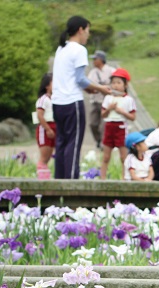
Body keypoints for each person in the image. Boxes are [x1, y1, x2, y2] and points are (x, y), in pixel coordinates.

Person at [52, 15, 112, 180]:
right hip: (72, 103)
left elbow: (70, 78)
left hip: (57, 103)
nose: (88, 34)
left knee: (61, 142)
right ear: (80, 30)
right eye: (87, 31)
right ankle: (71, 182)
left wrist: (88, 90)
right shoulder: (79, 50)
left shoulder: (61, 49)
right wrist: (101, 89)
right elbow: (80, 79)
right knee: (74, 142)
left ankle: (59, 182)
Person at [100, 68, 136, 179]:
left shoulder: (128, 100)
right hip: (109, 126)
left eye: (119, 82)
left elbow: (133, 117)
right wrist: (109, 109)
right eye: (113, 82)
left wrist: (122, 112)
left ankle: (124, 177)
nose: (115, 85)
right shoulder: (108, 98)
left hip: (121, 127)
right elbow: (103, 114)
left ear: (125, 85)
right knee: (106, 156)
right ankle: (102, 178)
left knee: (123, 156)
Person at [87, 50, 115, 149]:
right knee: (92, 123)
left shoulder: (111, 71)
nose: (93, 61)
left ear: (101, 60)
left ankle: (104, 144)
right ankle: (98, 140)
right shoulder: (92, 72)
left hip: (106, 102)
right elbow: (88, 85)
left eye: (95, 59)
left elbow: (116, 85)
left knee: (104, 125)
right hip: (95, 101)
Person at [35, 73, 55, 180]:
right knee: (44, 156)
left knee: (49, 156)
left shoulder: (55, 98)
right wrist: (48, 129)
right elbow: (39, 115)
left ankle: (46, 177)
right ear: (47, 85)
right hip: (46, 128)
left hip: (54, 127)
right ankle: (42, 178)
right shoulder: (43, 99)